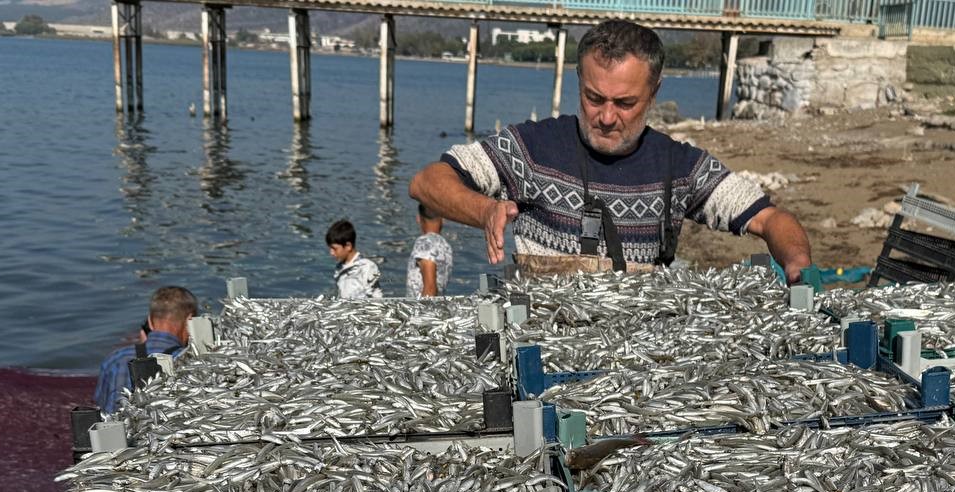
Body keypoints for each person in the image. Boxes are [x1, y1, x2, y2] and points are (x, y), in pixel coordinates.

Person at [408, 19, 811, 280]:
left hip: (634, 353)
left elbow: (769, 219)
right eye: (593, 97)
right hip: (541, 341)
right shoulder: (530, 148)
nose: (605, 116)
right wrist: (485, 209)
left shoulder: (679, 166)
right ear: (579, 80)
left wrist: (797, 264)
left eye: (624, 103)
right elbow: (427, 183)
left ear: (654, 93)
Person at [94, 286, 196, 414]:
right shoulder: (190, 362)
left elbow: (102, 408)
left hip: (116, 432)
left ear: (149, 320)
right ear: (190, 320)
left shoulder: (115, 359)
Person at [326, 219, 383, 300]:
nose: (331, 252)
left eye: (334, 249)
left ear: (348, 246)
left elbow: (377, 297)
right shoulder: (339, 267)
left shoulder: (367, 267)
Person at [407, 203, 454, 297]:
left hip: (419, 309)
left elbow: (430, 288)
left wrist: (423, 311)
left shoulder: (425, 243)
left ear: (418, 218)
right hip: (437, 307)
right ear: (443, 219)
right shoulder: (445, 246)